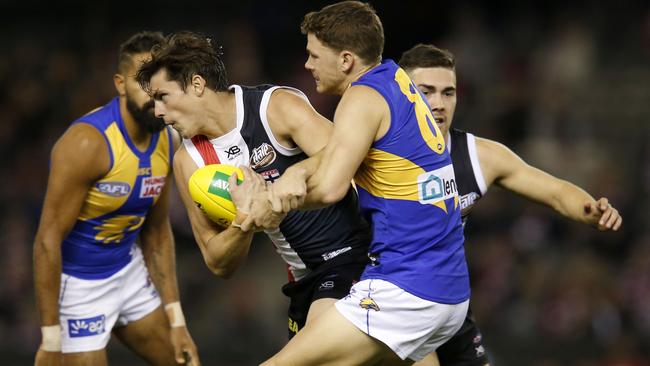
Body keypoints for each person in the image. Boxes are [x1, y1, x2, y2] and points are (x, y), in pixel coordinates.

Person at [247, 2, 471, 365]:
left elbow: (333, 189)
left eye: (314, 55)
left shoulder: (361, 98)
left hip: (406, 290)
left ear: (346, 60)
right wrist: (296, 173)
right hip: (448, 290)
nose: (307, 65)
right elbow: (339, 155)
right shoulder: (396, 79)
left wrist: (274, 203)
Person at [134, 31, 372, 342]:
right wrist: (244, 220)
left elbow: (349, 154)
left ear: (196, 84)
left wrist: (288, 182)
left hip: (355, 257)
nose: (158, 113)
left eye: (162, 97)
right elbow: (218, 262)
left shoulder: (274, 107)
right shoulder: (189, 161)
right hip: (303, 280)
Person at [397, 43, 623, 366]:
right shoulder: (372, 156)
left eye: (448, 93)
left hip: (448, 304)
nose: (438, 104)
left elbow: (556, 192)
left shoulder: (478, 157)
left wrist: (591, 209)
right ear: (403, 94)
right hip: (390, 301)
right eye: (426, 91)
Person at [33, 31, 199, 366]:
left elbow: (156, 232)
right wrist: (50, 338)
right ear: (121, 85)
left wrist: (177, 321)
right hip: (80, 288)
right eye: (143, 84)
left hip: (128, 273)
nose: (155, 95)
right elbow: (47, 241)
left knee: (186, 362)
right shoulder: (86, 144)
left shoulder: (167, 137)